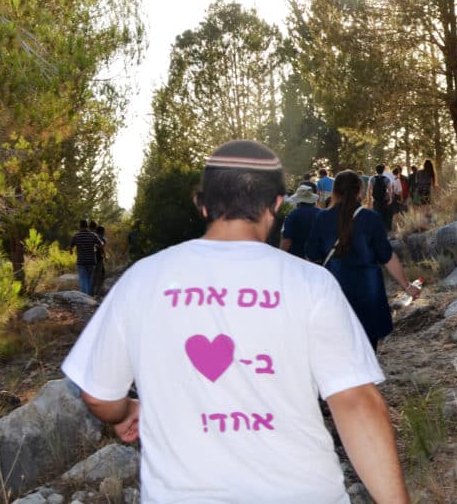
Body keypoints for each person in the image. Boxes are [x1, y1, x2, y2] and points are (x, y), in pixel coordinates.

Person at [62, 141, 408, 504]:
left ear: (202, 203)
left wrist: (127, 409)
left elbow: (97, 394)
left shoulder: (141, 280)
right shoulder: (312, 284)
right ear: (276, 203)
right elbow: (357, 404)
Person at [306, 171, 421, 351]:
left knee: (339, 349)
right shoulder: (371, 218)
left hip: (335, 292)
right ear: (360, 191)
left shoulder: (321, 218)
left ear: (335, 192)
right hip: (369, 293)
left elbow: (312, 257)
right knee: (367, 350)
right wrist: (407, 286)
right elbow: (387, 256)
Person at [280, 184, 321, 259]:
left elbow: (287, 240)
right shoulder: (321, 213)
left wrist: (280, 256)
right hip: (316, 257)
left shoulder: (293, 214)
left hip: (296, 255)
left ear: (298, 201)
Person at [68, 219, 102, 296]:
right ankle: (89, 296)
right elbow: (101, 244)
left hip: (81, 261)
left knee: (83, 279)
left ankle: (84, 296)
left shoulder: (76, 236)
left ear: (80, 226)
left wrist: (71, 251)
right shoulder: (93, 235)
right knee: (90, 279)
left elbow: (70, 247)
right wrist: (95, 246)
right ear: (87, 226)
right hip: (91, 261)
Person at [367, 165, 393, 231]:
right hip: (384, 200)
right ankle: (386, 229)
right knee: (385, 214)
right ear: (383, 170)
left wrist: (369, 200)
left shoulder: (372, 178)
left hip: (375, 200)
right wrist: (390, 198)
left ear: (376, 170)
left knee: (376, 214)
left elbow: (369, 190)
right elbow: (390, 189)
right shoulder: (386, 179)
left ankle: (377, 229)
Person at [93, 224, 107, 295]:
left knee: (97, 274)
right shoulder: (103, 239)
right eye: (104, 231)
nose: (104, 232)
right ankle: (97, 292)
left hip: (93, 258)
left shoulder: (93, 237)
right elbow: (102, 248)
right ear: (102, 232)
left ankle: (95, 291)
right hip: (99, 258)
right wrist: (105, 256)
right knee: (100, 274)